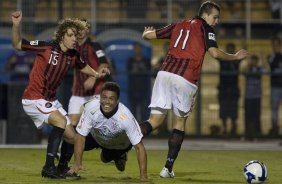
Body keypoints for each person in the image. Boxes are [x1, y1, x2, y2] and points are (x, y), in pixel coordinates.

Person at [140, 1, 248, 178]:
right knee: (179, 123)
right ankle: (167, 168)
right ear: (205, 15)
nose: (217, 21)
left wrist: (145, 33)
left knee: (155, 121)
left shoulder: (178, 24)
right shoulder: (206, 28)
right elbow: (214, 53)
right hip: (185, 78)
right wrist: (235, 57)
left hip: (164, 74)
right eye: (215, 17)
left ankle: (122, 145)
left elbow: (149, 36)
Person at [11, 10, 110, 179]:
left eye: (76, 36)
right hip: (34, 98)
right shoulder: (46, 47)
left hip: (50, 100)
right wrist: (16, 25)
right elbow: (18, 43)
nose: (74, 39)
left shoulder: (73, 55)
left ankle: (62, 168)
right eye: (71, 35)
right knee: (61, 121)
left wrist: (95, 74)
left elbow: (82, 65)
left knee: (72, 137)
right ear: (62, 35)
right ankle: (48, 168)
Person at [57, 19, 110, 172]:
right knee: (71, 124)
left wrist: (93, 78)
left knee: (99, 126)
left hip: (95, 92)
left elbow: (104, 63)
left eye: (85, 27)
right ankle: (66, 159)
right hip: (78, 92)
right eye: (80, 27)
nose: (82, 30)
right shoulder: (72, 46)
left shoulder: (95, 45)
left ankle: (114, 152)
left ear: (88, 31)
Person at [68, 82, 148, 180]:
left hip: (119, 145)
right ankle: (62, 168)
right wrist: (77, 163)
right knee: (70, 138)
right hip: (98, 138)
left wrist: (143, 176)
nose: (106, 102)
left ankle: (121, 156)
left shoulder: (125, 117)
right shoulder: (91, 108)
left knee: (105, 159)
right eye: (104, 97)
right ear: (100, 97)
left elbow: (139, 147)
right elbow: (80, 136)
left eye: (111, 98)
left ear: (117, 100)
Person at [217, 43, 242, 136]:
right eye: (229, 49)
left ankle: (233, 128)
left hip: (233, 88)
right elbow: (215, 52)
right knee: (223, 109)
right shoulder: (223, 59)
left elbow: (244, 53)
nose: (230, 50)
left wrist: (241, 39)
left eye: (232, 49)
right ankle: (224, 128)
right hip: (223, 88)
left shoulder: (237, 60)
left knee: (233, 109)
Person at [127, 42, 151, 122]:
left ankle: (143, 131)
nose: (137, 50)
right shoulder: (130, 61)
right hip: (132, 89)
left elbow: (150, 71)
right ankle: (134, 130)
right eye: (135, 48)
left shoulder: (146, 61)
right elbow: (128, 71)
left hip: (143, 89)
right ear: (133, 50)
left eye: (138, 48)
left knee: (144, 112)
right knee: (133, 112)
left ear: (141, 49)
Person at [243, 55, 265, 140]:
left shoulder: (259, 69)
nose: (253, 62)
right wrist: (248, 64)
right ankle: (247, 134)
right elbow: (243, 71)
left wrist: (263, 61)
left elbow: (267, 71)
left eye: (254, 61)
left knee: (256, 116)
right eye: (252, 60)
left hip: (256, 96)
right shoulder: (248, 69)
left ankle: (257, 134)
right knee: (247, 116)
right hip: (248, 96)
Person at [268, 37, 282, 137]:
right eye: (274, 44)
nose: (275, 46)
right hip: (275, 87)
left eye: (277, 44)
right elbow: (266, 69)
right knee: (274, 108)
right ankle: (275, 128)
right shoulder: (271, 57)